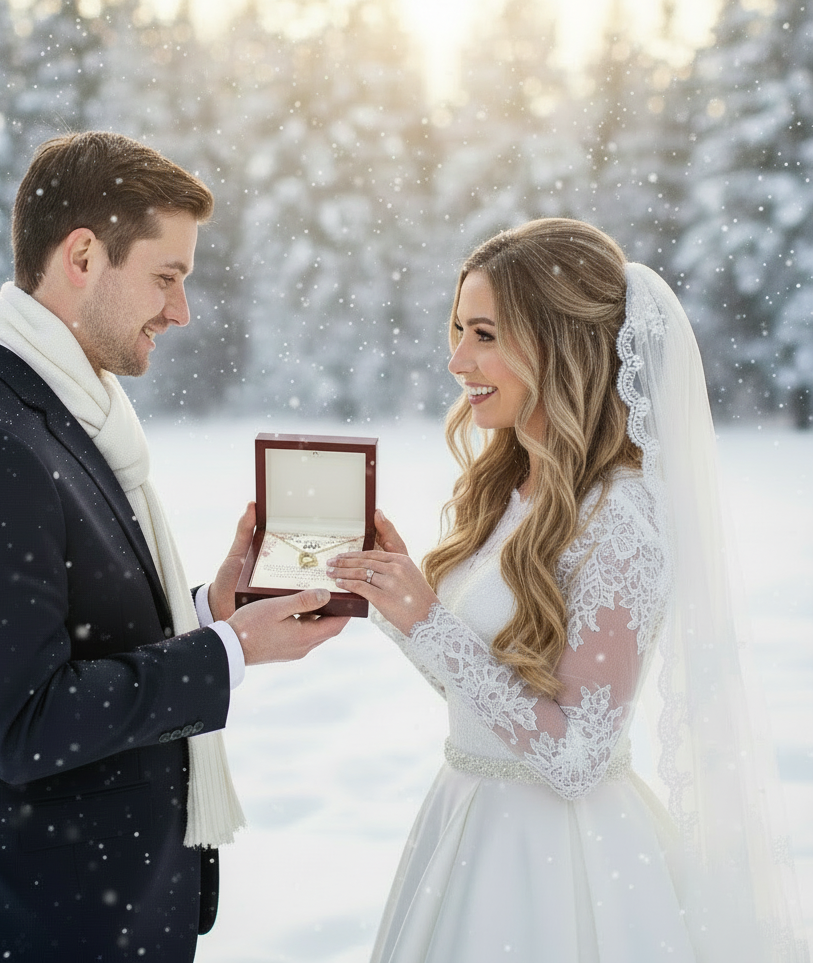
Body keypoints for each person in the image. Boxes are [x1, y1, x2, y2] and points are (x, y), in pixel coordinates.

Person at [0, 130, 347, 963]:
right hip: (35, 926)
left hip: (102, 917)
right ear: (83, 256)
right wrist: (225, 651)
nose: (181, 310)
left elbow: (83, 635)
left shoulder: (64, 418)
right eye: (166, 277)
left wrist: (210, 608)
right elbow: (26, 724)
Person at [327, 219, 809, 962]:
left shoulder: (623, 521)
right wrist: (400, 606)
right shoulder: (513, 488)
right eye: (458, 329)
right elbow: (483, 696)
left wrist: (429, 620)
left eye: (484, 334)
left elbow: (578, 754)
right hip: (465, 821)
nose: (458, 359)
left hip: (558, 864)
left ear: (561, 343)